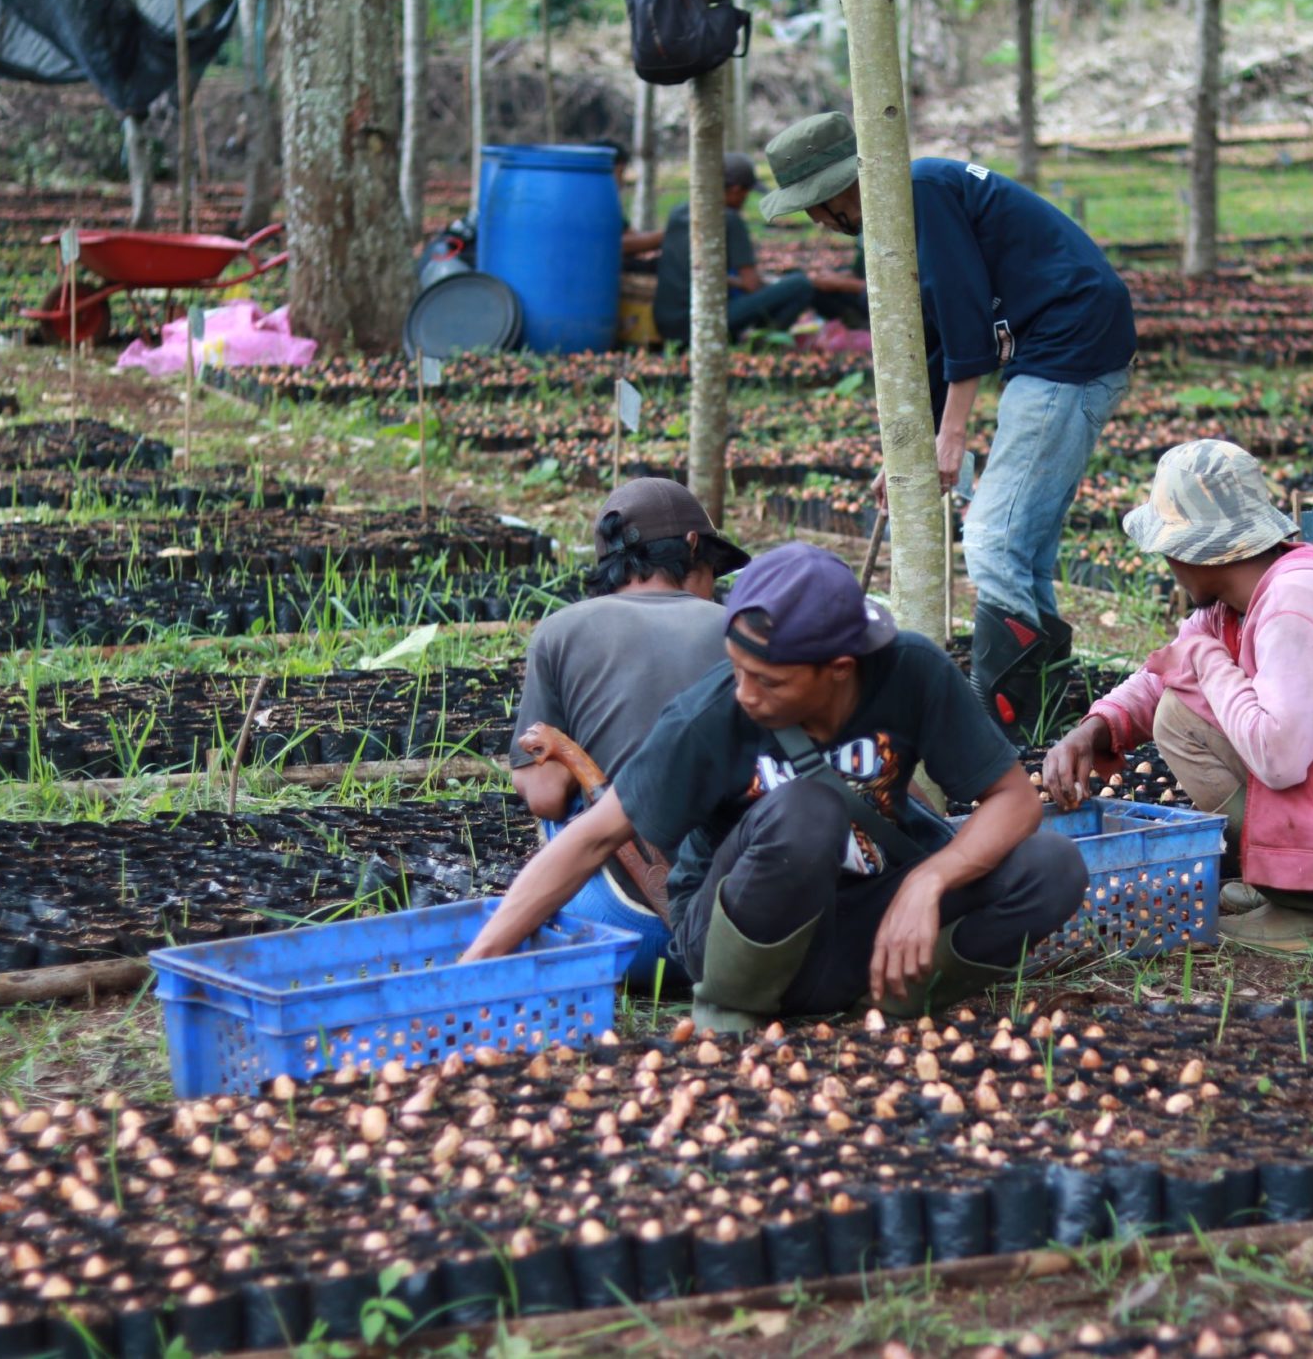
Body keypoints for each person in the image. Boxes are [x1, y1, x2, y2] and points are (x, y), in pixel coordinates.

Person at [465, 542, 1085, 1033]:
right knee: (807, 811)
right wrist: (478, 966)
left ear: (839, 669)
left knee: (1051, 867)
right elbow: (593, 839)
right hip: (740, 936)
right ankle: (740, 1017)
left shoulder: (913, 672)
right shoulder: (711, 714)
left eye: (769, 681)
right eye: (736, 670)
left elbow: (1015, 799)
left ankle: (890, 997)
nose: (745, 694)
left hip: (858, 922)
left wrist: (929, 880)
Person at [758, 113, 1138, 740]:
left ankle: (998, 724)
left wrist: (953, 434)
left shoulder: (921, 192)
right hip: (1052, 348)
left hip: (1070, 344)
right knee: (1023, 550)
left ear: (840, 188)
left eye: (815, 208)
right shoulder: (903, 209)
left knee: (991, 538)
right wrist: (906, 450)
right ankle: (1043, 717)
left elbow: (963, 313)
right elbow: (935, 340)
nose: (817, 223)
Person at [1041, 441, 1313, 951]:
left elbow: (1280, 758)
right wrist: (1092, 730)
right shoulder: (1237, 603)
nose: (1168, 565)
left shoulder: (1294, 604)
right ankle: (1303, 885)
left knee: (1179, 720)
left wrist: (1206, 662)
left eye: (1169, 550)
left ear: (1196, 550)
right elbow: (1164, 672)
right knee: (1180, 703)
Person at [508, 477, 750, 986]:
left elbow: (545, 796)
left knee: (561, 793)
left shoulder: (561, 629)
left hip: (631, 943)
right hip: (753, 930)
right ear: (691, 548)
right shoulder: (741, 628)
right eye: (713, 570)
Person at [654, 153, 858, 344]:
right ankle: (761, 342)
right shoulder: (728, 218)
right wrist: (777, 285)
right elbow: (752, 286)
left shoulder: (678, 211)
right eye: (745, 193)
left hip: (667, 321)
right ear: (734, 190)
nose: (744, 200)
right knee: (800, 284)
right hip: (701, 322)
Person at [584, 137, 666, 267]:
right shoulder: (587, 205)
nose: (622, 183)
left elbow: (630, 235)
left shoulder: (606, 204)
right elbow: (616, 244)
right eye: (620, 173)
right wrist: (668, 235)